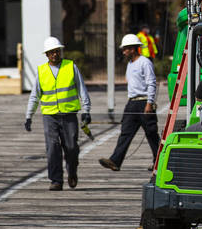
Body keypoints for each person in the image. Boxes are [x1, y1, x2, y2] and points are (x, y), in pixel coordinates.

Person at [25, 36, 92, 191]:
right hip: (50, 116)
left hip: (69, 115)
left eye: (57, 51)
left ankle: (72, 171)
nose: (54, 54)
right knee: (53, 147)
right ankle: (56, 180)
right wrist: (29, 116)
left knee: (71, 148)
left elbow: (82, 89)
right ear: (47, 55)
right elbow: (34, 95)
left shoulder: (71, 67)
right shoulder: (41, 71)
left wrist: (86, 110)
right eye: (51, 52)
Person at [99, 34, 160, 172]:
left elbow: (151, 83)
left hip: (144, 102)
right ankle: (115, 161)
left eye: (126, 49)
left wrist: (150, 103)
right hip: (132, 103)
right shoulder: (130, 64)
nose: (124, 52)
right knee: (125, 133)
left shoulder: (145, 62)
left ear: (133, 49)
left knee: (151, 134)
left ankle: (159, 162)